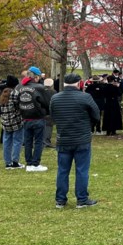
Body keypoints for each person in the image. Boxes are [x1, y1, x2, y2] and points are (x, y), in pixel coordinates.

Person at [49, 73, 101, 208]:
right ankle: (82, 199)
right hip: (81, 138)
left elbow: (52, 115)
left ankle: (60, 200)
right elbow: (96, 115)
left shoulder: (55, 98)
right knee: (82, 170)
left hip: (63, 139)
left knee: (62, 170)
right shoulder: (85, 97)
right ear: (79, 84)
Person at [13, 67, 51, 172]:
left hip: (25, 118)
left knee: (28, 142)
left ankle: (29, 163)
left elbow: (14, 101)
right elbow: (47, 103)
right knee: (38, 142)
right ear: (36, 76)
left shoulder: (19, 87)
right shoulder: (39, 87)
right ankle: (35, 164)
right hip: (38, 118)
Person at [0, 76, 24, 169]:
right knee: (17, 141)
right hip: (16, 121)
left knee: (6, 142)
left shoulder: (3, 93)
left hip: (5, 121)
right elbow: (20, 106)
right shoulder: (16, 93)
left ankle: (7, 162)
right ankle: (15, 162)